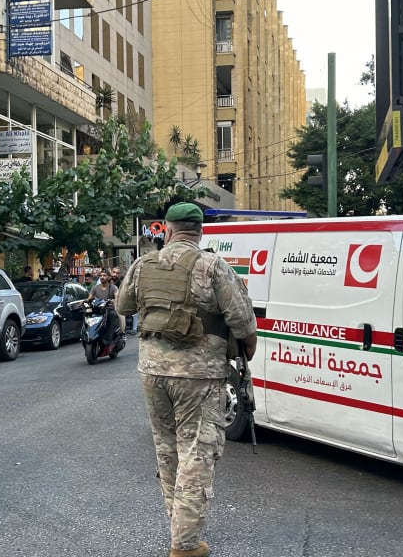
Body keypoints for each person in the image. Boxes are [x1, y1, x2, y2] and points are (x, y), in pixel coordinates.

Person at [117, 203, 257, 557]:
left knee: (167, 450)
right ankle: (186, 544)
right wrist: (244, 351)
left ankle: (178, 528)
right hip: (198, 375)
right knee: (197, 452)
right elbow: (242, 322)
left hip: (152, 371)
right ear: (200, 231)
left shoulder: (143, 264)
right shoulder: (213, 266)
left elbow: (123, 306)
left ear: (166, 228)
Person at [88, 271, 120, 338]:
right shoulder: (95, 288)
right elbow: (90, 298)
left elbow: (117, 297)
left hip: (109, 310)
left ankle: (110, 336)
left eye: (104, 275)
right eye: (101, 275)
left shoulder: (113, 288)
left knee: (112, 315)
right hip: (98, 310)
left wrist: (114, 301)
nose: (102, 277)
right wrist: (84, 302)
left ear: (108, 277)